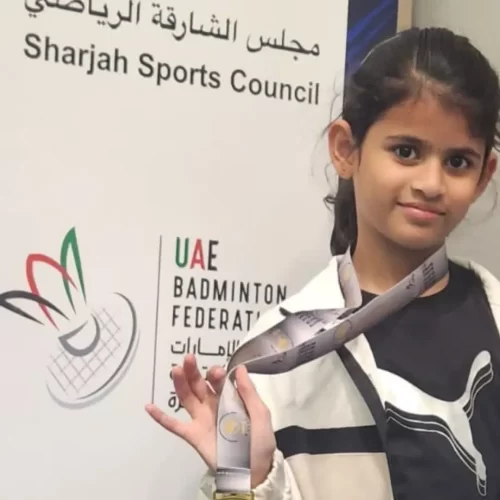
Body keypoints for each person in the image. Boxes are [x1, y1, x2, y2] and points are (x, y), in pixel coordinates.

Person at [146, 27, 500, 499]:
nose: (431, 183)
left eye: (457, 162)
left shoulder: (493, 314)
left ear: (484, 175)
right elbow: (236, 491)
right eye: (406, 151)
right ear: (346, 150)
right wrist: (244, 480)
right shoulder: (272, 358)